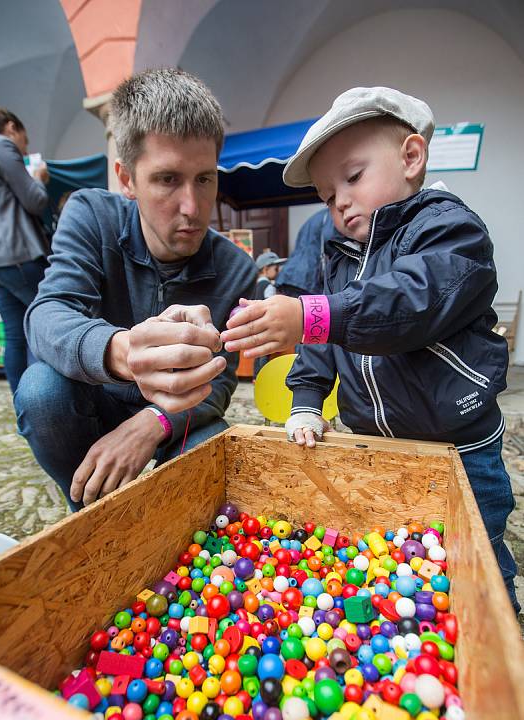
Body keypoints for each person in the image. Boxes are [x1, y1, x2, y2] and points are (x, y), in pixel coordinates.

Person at [221, 86, 519, 613]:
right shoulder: (338, 257)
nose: (340, 201)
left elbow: (407, 303)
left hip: (460, 446)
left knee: (477, 555)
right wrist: (307, 400)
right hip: (376, 445)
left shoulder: (450, 231)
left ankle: (497, 621)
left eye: (353, 177)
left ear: (411, 157)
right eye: (327, 194)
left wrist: (314, 314)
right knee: (395, 549)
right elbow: (323, 341)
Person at [14, 67, 256, 512]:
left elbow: (219, 382)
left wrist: (153, 421)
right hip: (93, 400)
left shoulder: (236, 267)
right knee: (39, 391)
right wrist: (122, 351)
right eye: (167, 179)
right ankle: (89, 510)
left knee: (216, 449)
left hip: (178, 416)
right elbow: (47, 314)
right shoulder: (90, 215)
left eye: (205, 179)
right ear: (126, 179)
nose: (192, 207)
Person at [0, 107, 49, 392]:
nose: (23, 145)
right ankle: (40, 401)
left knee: (15, 334)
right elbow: (35, 201)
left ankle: (22, 404)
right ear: (12, 127)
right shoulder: (1, 144)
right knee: (43, 324)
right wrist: (38, 177)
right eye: (23, 139)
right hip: (19, 255)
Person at [275, 208, 338, 298]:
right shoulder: (330, 216)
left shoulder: (315, 218)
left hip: (289, 274)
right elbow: (331, 240)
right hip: (307, 276)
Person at [252, 250, 286, 378]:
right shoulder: (269, 287)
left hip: (253, 324)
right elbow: (272, 307)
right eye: (276, 268)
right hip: (265, 325)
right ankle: (264, 377)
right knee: (265, 353)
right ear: (266, 269)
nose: (278, 271)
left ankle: (256, 378)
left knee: (257, 353)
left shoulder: (253, 285)